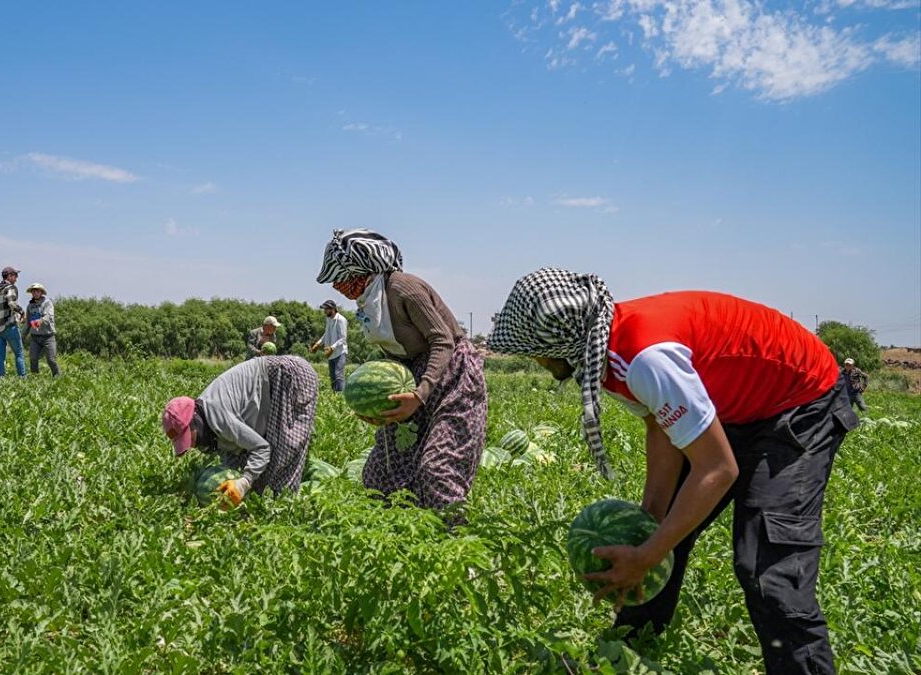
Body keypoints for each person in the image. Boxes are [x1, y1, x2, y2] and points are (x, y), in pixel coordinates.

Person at [487, 268, 857, 675]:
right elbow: (660, 429)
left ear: (557, 343)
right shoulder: (604, 347)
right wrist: (648, 527)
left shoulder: (645, 359)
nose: (536, 361)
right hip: (740, 402)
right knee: (665, 530)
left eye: (534, 351)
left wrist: (647, 554)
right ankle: (626, 655)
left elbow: (717, 469)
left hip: (799, 400)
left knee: (766, 567)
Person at [315, 229, 487, 515]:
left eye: (341, 276)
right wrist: (381, 405)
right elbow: (394, 353)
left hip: (452, 374)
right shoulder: (371, 302)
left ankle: (454, 548)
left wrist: (419, 395)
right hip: (412, 377)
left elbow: (442, 340)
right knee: (381, 473)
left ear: (362, 269)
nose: (336, 285)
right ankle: (397, 538)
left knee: (438, 471)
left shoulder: (404, 289)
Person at [162, 355, 319, 507]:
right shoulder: (206, 415)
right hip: (273, 383)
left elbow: (262, 448)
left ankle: (284, 511)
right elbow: (232, 450)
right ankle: (262, 503)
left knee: (285, 451)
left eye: (189, 437)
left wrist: (244, 482)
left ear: (194, 421)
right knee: (246, 462)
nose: (192, 444)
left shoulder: (218, 415)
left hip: (290, 376)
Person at [0, 266, 27, 378]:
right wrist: (21, 312)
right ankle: (22, 378)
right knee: (19, 353)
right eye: (15, 276)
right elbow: (11, 304)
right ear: (10, 276)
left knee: (0, 356)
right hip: (9, 325)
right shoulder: (10, 287)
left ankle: (1, 378)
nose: (16, 279)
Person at [310, 299, 348, 392]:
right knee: (332, 376)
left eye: (326, 309)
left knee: (338, 375)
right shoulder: (328, 319)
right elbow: (326, 334)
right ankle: (335, 395)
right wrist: (318, 343)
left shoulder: (341, 320)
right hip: (330, 353)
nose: (325, 311)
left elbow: (343, 338)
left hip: (339, 352)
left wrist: (332, 347)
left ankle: (340, 397)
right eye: (324, 309)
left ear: (333, 309)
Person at [23, 282, 60, 377]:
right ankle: (35, 379)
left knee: (51, 360)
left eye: (37, 291)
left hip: (48, 336)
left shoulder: (47, 303)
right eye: (33, 291)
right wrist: (22, 336)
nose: (35, 293)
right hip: (35, 337)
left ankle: (58, 377)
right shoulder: (30, 306)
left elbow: (49, 316)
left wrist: (41, 320)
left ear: (41, 292)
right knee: (33, 359)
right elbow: (27, 323)